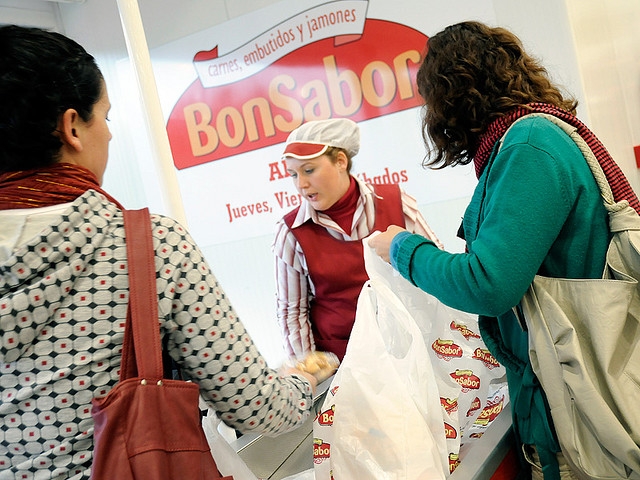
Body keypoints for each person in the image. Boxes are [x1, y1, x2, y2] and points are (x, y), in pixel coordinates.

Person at [0, 25, 327, 479]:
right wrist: (302, 381)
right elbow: (256, 407)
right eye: (106, 118)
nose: (110, 136)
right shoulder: (146, 248)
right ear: (72, 127)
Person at [368, 21, 640, 480]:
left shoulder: (530, 145)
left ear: (452, 95)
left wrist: (401, 247)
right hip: (574, 390)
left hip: (580, 405)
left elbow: (488, 283)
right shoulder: (535, 138)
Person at [272, 118, 442, 361]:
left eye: (309, 170)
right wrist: (311, 370)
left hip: (411, 351)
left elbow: (433, 268)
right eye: (293, 175)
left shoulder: (396, 202)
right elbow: (292, 312)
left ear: (341, 161)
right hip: (344, 364)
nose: (301, 184)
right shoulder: (291, 232)